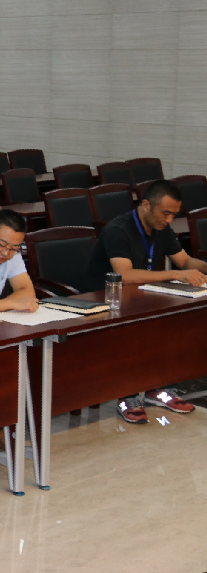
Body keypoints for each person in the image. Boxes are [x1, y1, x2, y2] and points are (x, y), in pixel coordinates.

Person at [84, 180, 207, 423]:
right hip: (106, 301)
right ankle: (127, 395)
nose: (169, 220)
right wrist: (175, 274)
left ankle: (157, 389)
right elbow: (125, 275)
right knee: (137, 331)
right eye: (166, 213)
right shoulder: (118, 229)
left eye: (174, 215)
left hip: (141, 297)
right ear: (147, 205)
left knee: (175, 324)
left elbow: (184, 261)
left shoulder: (161, 228)